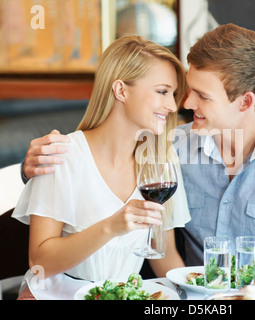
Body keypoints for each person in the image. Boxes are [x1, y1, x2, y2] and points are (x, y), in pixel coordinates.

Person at [21, 24, 255, 300]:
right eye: (182, 90)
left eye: (200, 95)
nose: (184, 103)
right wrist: (33, 167)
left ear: (244, 102)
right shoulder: (170, 148)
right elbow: (94, 168)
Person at [13, 35, 190, 300]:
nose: (172, 106)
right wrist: (111, 226)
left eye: (173, 94)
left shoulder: (162, 162)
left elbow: (164, 256)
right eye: (163, 92)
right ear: (121, 91)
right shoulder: (62, 155)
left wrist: (202, 299)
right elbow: (40, 262)